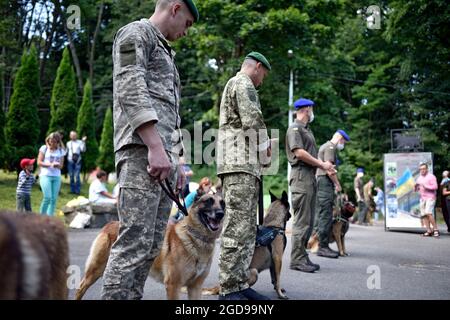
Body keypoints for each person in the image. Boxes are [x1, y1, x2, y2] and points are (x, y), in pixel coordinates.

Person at [101, 0, 198, 300]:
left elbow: (172, 114)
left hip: (162, 161)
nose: (186, 31)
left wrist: (178, 162)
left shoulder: (167, 54)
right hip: (141, 153)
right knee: (133, 242)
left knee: (150, 244)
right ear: (175, 8)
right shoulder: (136, 34)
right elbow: (130, 87)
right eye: (188, 23)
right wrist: (155, 146)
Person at [216, 52, 272, 300]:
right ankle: (229, 288)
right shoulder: (243, 82)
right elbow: (252, 120)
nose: (262, 81)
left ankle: (239, 283)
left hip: (244, 166)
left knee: (247, 228)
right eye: (264, 76)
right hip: (239, 164)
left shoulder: (239, 84)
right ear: (257, 67)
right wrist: (266, 146)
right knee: (236, 227)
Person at [285, 97, 335, 273]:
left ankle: (302, 256)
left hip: (309, 177)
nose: (313, 112)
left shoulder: (306, 129)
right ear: (306, 109)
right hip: (301, 177)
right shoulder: (295, 129)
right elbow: (299, 153)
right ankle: (297, 259)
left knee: (309, 220)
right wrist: (322, 164)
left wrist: (323, 166)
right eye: (311, 109)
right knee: (302, 221)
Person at [315, 130, 350, 259]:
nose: (343, 144)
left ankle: (319, 244)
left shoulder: (325, 146)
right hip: (325, 183)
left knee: (322, 214)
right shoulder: (330, 147)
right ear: (340, 138)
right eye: (344, 142)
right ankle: (322, 247)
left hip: (322, 182)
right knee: (326, 215)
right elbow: (329, 169)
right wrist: (337, 184)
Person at [37, 132, 66, 216]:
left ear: (58, 142)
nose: (52, 143)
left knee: (53, 199)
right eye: (50, 141)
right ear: (48, 140)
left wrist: (57, 165)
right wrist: (50, 164)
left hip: (56, 176)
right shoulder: (44, 148)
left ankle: (49, 219)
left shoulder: (61, 150)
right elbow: (39, 162)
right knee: (47, 197)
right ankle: (41, 218)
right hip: (45, 175)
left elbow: (61, 166)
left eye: (54, 142)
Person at [415, 162, 439, 237]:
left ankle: (435, 229)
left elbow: (435, 187)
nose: (422, 170)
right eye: (421, 169)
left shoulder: (431, 176)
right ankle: (428, 230)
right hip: (422, 198)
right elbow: (417, 189)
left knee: (428, 212)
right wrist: (416, 187)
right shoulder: (419, 178)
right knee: (423, 215)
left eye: (424, 169)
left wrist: (426, 186)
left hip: (430, 197)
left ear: (427, 169)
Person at [66, 131, 87, 195]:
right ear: (70, 136)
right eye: (72, 135)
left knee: (77, 176)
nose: (73, 136)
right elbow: (66, 151)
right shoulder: (68, 143)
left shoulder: (80, 142)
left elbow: (83, 150)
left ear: (76, 136)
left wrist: (83, 142)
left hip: (78, 161)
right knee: (71, 175)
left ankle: (77, 191)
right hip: (70, 160)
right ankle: (72, 190)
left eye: (74, 135)